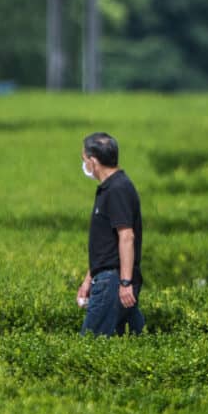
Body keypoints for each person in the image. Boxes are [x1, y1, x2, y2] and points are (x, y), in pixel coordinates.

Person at [76, 132, 145, 336]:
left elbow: (126, 236)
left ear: (93, 161)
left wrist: (125, 283)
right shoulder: (109, 188)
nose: (84, 165)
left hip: (112, 282)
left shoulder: (117, 189)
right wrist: (88, 280)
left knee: (89, 344)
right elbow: (107, 243)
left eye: (84, 159)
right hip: (106, 278)